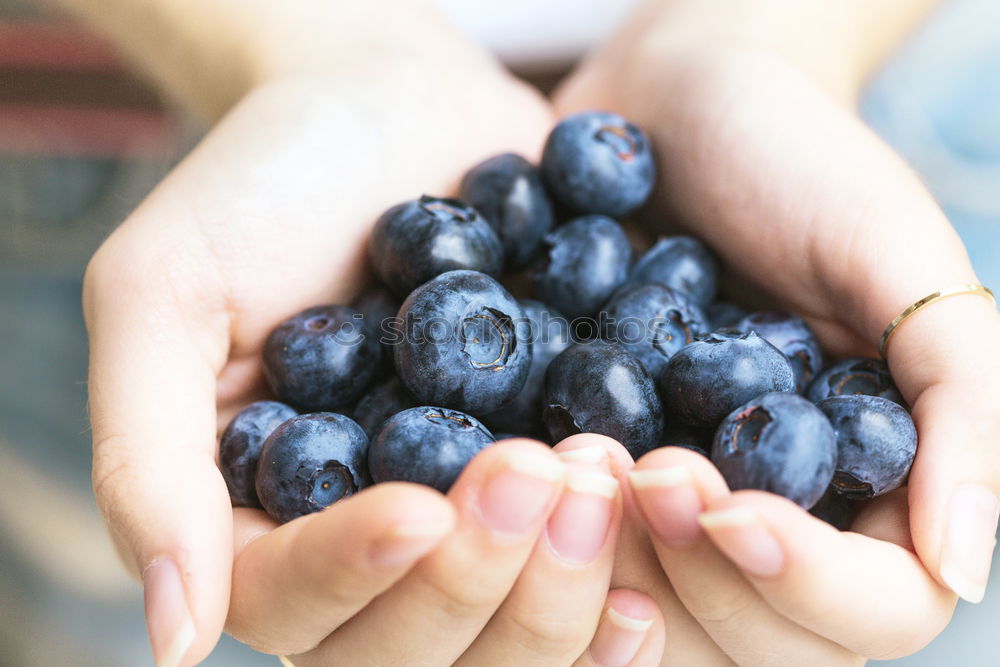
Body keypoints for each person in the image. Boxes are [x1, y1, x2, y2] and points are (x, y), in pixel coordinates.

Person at [56, 0, 1000, 664]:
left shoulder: (666, 346)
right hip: (99, 138)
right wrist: (311, 43)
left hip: (915, 98)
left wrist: (765, 33)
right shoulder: (493, 326)